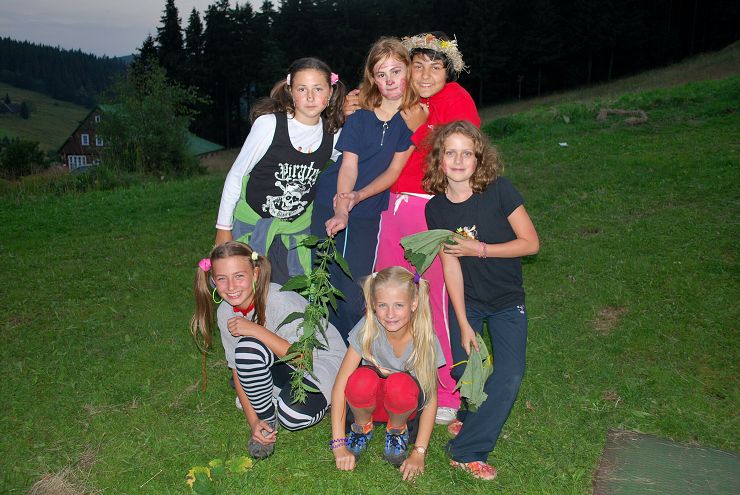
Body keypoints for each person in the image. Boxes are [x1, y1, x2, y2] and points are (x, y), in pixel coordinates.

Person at [366, 32, 481, 425]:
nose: (427, 74)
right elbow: (372, 97)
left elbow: (461, 155)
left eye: (436, 67)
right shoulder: (403, 96)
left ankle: (446, 389)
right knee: (388, 292)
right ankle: (391, 376)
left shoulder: (455, 98)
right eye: (418, 65)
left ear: (449, 71)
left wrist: (421, 128)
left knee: (433, 297)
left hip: (429, 207)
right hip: (392, 206)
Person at [424, 120, 539, 480]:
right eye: (450, 153)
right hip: (468, 301)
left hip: (507, 299)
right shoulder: (436, 209)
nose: (459, 161)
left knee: (508, 376)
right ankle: (467, 415)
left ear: (478, 159)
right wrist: (462, 323)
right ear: (440, 159)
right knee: (469, 370)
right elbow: (450, 266)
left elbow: (531, 244)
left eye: (467, 153)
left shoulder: (500, 191)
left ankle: (467, 450)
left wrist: (481, 249)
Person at [191, 241, 347, 459]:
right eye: (222, 279)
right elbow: (236, 369)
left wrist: (255, 329)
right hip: (285, 364)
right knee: (247, 349)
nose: (231, 286)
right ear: (213, 281)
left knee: (292, 416)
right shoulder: (225, 312)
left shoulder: (279, 299)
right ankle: (268, 420)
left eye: (239, 276)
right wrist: (254, 421)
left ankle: (322, 399)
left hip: (321, 362)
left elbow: (303, 358)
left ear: (255, 274)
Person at [311, 37, 416, 342]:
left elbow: (393, 171)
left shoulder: (410, 119)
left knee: (356, 289)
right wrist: (342, 207)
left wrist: (359, 197)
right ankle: (321, 353)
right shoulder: (360, 113)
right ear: (372, 77)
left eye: (396, 71)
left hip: (368, 208)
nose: (390, 80)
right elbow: (348, 165)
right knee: (324, 281)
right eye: (381, 74)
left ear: (408, 71)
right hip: (332, 199)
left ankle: (354, 355)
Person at [214, 58, 347, 284]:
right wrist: (223, 229)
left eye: (318, 89)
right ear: (290, 91)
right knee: (244, 288)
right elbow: (236, 176)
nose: (310, 97)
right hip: (252, 225)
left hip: (294, 232)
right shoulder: (269, 125)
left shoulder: (333, 135)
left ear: (331, 92)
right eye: (302, 89)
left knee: (289, 293)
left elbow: (350, 164)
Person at [329, 267, 445, 481]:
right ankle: (362, 427)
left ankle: (397, 431)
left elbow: (430, 399)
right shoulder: (368, 328)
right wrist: (338, 444)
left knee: (399, 384)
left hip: (403, 407)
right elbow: (340, 385)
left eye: (399, 305)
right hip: (369, 404)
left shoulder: (424, 338)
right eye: (382, 305)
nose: (390, 314)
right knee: (361, 379)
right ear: (373, 305)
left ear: (414, 303)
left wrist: (419, 452)